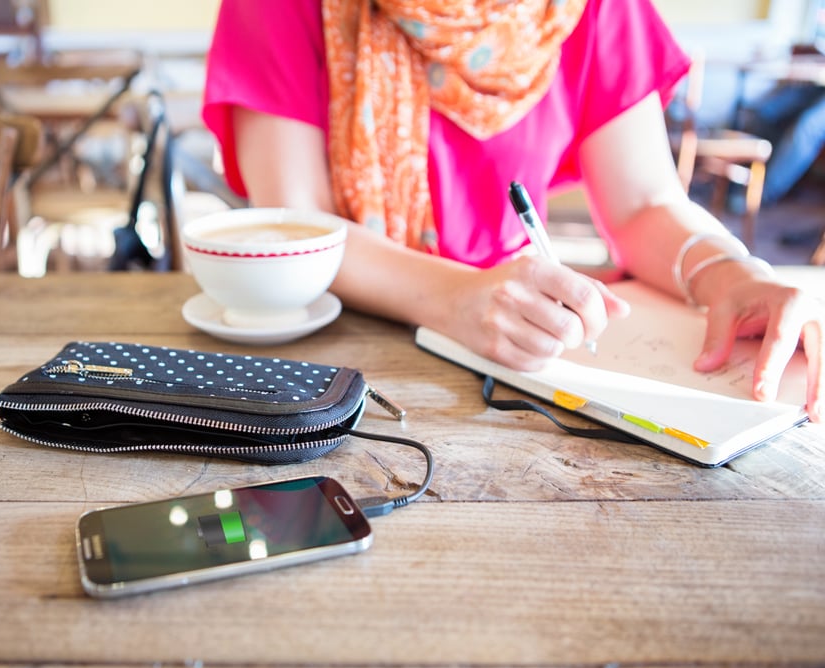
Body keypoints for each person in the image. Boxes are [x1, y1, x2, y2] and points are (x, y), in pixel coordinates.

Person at [202, 0, 823, 423]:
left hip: (522, 360)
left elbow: (645, 204)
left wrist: (730, 273)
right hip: (336, 366)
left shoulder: (588, 8)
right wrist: (458, 297)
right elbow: (297, 223)